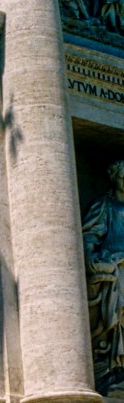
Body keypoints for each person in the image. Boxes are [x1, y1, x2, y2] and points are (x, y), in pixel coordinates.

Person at [82, 160, 124, 388]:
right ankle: (116, 366)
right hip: (118, 268)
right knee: (120, 314)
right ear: (114, 178)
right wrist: (93, 260)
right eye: (123, 178)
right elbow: (89, 236)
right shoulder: (105, 205)